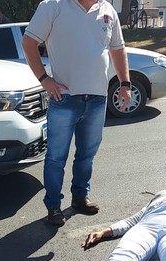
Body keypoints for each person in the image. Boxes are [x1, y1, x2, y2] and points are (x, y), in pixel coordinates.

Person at [22, 0, 132, 226]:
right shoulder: (53, 6)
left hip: (97, 98)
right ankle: (53, 206)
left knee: (86, 154)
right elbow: (28, 42)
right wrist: (45, 80)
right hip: (65, 98)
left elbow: (117, 49)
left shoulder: (108, 10)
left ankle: (80, 198)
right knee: (56, 158)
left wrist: (125, 83)